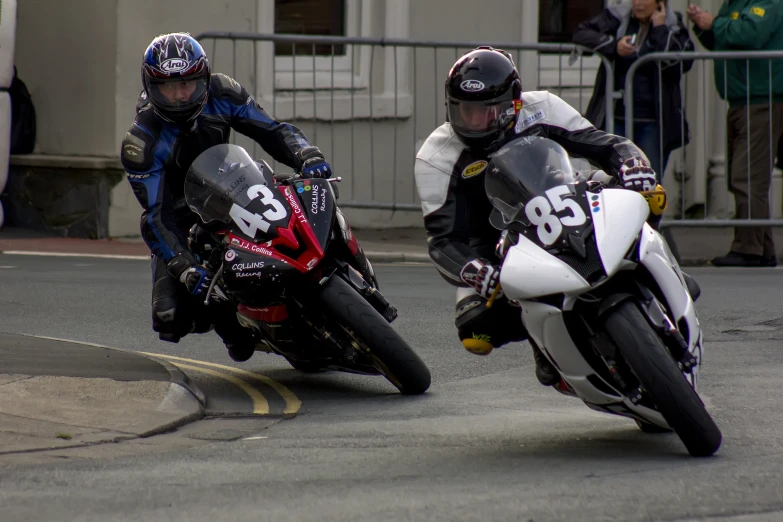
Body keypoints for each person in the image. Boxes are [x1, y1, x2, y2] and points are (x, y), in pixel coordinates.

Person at [414, 47, 699, 386]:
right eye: (465, 111)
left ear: (514, 104)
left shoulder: (541, 109)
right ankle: (547, 345)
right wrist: (476, 271)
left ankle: (662, 272)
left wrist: (632, 165)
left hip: (566, 197)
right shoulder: (436, 156)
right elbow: (444, 240)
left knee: (646, 193)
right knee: (476, 329)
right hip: (495, 242)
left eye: (487, 112)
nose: (475, 122)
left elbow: (607, 145)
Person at [120, 33, 332, 360]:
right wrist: (183, 265)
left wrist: (307, 155)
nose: (179, 96)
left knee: (307, 192)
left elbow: (272, 130)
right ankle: (228, 319)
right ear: (151, 86)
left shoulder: (222, 92)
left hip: (237, 185)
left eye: (187, 84)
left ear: (202, 78)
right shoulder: (141, 142)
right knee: (168, 317)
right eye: (168, 88)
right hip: (183, 215)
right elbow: (157, 216)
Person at [687, 1, 783, 267]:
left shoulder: (767, 2)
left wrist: (713, 23)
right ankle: (762, 247)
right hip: (741, 99)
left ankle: (748, 248)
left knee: (748, 175)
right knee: (742, 175)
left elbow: (751, 35)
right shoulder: (735, 4)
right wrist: (703, 26)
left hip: (761, 98)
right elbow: (724, 41)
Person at [573, 0, 695, 180]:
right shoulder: (618, 16)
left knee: (648, 181)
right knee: (612, 179)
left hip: (653, 122)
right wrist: (614, 46)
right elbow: (581, 33)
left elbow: (682, 62)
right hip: (616, 118)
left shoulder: (672, 25)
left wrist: (660, 28)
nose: (638, 3)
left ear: (660, 3)